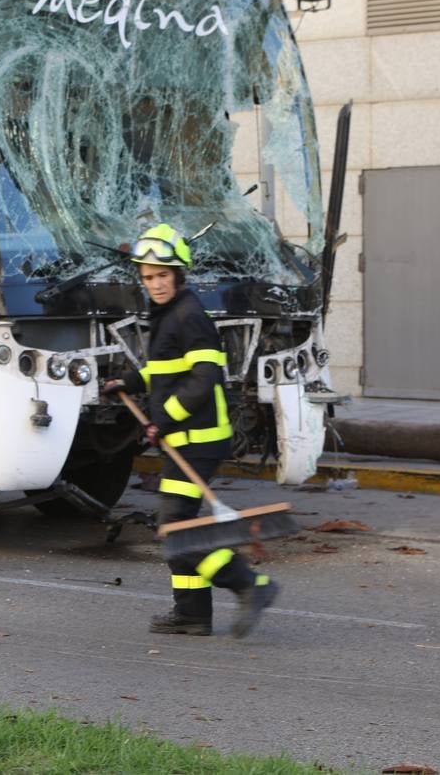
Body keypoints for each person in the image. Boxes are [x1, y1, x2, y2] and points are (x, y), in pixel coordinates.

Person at [102, 223, 278, 639]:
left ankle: (251, 586)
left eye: (163, 275)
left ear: (179, 274)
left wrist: (164, 419)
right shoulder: (167, 315)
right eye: (148, 277)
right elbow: (168, 370)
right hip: (184, 439)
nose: (156, 284)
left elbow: (203, 380)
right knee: (177, 527)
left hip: (197, 440)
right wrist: (131, 381)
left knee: (176, 528)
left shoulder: (190, 316)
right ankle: (192, 614)